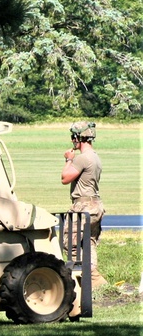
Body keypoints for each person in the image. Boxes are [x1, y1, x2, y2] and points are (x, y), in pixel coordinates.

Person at [61, 121, 106, 288]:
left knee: (71, 244)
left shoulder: (82, 158)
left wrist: (68, 160)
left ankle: (79, 282)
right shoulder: (95, 157)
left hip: (83, 206)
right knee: (89, 243)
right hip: (95, 205)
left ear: (78, 138)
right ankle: (96, 282)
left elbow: (65, 178)